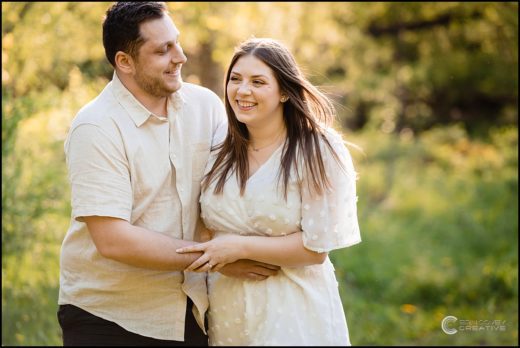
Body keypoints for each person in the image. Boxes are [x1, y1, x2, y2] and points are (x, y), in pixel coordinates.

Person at [57, 3, 279, 346]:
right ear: (125, 62)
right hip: (111, 317)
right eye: (163, 50)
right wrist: (216, 259)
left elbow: (235, 188)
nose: (181, 57)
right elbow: (113, 239)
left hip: (191, 309)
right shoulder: (96, 127)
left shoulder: (205, 107)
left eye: (176, 42)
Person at [176, 38, 362, 346]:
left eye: (258, 82)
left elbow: (316, 249)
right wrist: (222, 254)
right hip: (228, 308)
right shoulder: (219, 149)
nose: (242, 90)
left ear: (285, 92)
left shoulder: (318, 148)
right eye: (235, 79)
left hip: (295, 308)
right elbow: (200, 224)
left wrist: (240, 248)